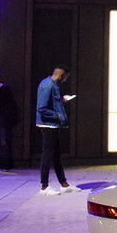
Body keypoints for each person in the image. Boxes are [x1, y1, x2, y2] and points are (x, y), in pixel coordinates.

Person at [35, 65, 80, 195]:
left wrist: (61, 100)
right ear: (62, 75)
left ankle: (64, 184)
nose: (65, 80)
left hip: (52, 125)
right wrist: (58, 115)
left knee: (55, 155)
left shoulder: (51, 84)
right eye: (66, 77)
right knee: (47, 155)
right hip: (48, 125)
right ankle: (44, 187)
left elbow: (49, 103)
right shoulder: (48, 85)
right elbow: (41, 108)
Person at [0, 69, 21, 169]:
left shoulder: (5, 89)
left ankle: (6, 163)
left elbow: (10, 104)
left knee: (4, 141)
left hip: (2, 119)